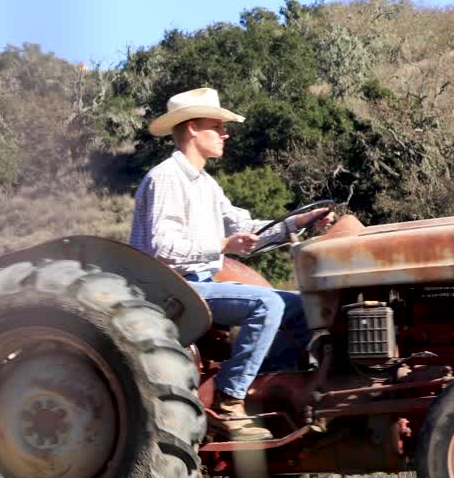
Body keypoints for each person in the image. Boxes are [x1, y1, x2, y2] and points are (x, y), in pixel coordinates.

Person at [128, 88, 335, 441]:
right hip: (172, 289)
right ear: (192, 128)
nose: (225, 134)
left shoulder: (205, 184)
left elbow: (246, 229)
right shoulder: (165, 178)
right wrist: (223, 245)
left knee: (301, 308)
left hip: (200, 282)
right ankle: (229, 398)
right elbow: (163, 247)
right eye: (218, 126)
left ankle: (269, 387)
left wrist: (299, 221)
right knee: (266, 303)